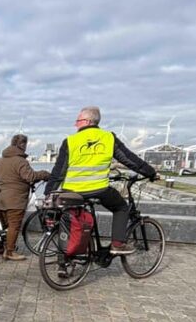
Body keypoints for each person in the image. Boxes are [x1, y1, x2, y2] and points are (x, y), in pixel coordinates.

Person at [45, 106, 157, 255]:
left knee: (69, 219)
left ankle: (62, 260)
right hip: (99, 189)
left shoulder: (70, 141)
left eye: (78, 121)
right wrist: (150, 172)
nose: (75, 124)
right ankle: (117, 244)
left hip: (72, 191)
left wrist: (48, 193)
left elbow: (59, 172)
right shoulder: (108, 138)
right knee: (121, 208)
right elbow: (130, 160)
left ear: (87, 121)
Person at [0, 134, 51, 261]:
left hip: (1, 197)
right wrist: (44, 174)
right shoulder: (20, 161)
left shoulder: (1, 160)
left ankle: (2, 247)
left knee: (5, 225)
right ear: (22, 145)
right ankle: (9, 252)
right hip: (16, 198)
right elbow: (29, 176)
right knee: (14, 225)